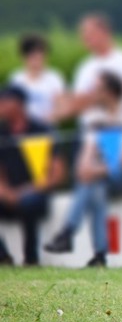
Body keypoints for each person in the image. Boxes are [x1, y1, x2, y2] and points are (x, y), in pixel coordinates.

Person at [43, 72, 122, 267]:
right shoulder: (93, 116)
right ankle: (99, 255)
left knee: (93, 183)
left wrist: (92, 171)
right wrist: (83, 168)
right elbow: (88, 150)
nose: (92, 93)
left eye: (97, 89)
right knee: (96, 190)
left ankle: (68, 233)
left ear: (109, 92)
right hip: (101, 175)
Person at [0, 85, 65, 266]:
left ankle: (31, 258)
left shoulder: (42, 129)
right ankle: (3, 256)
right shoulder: (2, 134)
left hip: (37, 191)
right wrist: (5, 192)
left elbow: (57, 172)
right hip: (9, 194)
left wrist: (26, 191)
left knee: (29, 203)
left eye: (5, 101)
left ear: (19, 104)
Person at [54, 13, 122, 122]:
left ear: (105, 32)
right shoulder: (84, 66)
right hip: (90, 130)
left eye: (89, 33)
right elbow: (79, 99)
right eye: (82, 33)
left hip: (117, 128)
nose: (84, 37)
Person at [9, 34, 66, 123]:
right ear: (24, 57)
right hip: (24, 131)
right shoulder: (16, 79)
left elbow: (61, 106)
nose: (37, 60)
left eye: (41, 56)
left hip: (47, 129)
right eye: (33, 56)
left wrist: (46, 120)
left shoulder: (54, 78)